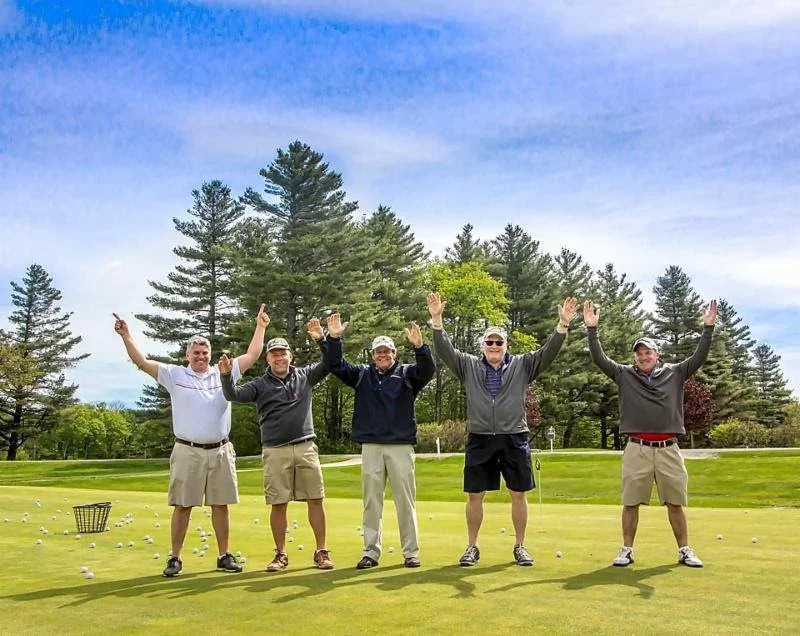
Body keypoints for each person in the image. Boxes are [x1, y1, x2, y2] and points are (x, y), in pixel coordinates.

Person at [113, 305, 270, 577]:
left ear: (209, 355)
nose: (201, 356)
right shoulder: (174, 375)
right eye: (196, 353)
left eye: (204, 353)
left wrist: (261, 326)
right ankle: (175, 558)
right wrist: (126, 335)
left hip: (220, 450)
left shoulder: (225, 371)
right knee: (183, 506)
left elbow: (254, 354)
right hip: (187, 450)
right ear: (187, 355)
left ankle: (224, 555)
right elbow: (142, 362)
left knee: (220, 505)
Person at [427, 292, 578, 567]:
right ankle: (472, 547)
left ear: (505, 345)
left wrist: (562, 326)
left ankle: (520, 546)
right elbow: (446, 351)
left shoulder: (522, 364)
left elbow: (548, 353)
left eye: (498, 342)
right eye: (489, 342)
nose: (494, 345)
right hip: (480, 438)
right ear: (483, 345)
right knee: (475, 495)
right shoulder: (469, 365)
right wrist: (437, 320)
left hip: (514, 437)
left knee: (518, 493)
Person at [583, 299, 717, 568]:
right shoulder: (624, 375)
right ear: (635, 357)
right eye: (639, 353)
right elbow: (599, 359)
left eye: (648, 353)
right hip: (637, 448)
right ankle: (626, 550)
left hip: (669, 448)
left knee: (675, 502)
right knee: (631, 502)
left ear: (658, 355)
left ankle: (684, 550)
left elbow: (699, 357)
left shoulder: (676, 372)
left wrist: (708, 328)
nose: (643, 357)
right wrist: (592, 330)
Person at [310, 313, 435, 569]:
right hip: (371, 446)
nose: (383, 355)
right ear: (372, 355)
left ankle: (411, 552)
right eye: (378, 352)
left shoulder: (407, 374)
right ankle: (371, 552)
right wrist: (333, 338)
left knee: (405, 501)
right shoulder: (362, 375)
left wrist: (421, 347)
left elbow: (428, 370)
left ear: (394, 353)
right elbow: (335, 365)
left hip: (400, 446)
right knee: (371, 502)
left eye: (387, 351)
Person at [219, 328, 333, 572]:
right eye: (274, 355)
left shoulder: (305, 375)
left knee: (316, 499)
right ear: (267, 359)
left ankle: (322, 551)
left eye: (283, 354)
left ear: (290, 356)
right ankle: (281, 554)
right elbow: (233, 394)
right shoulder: (260, 385)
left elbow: (331, 362)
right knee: (278, 503)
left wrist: (323, 340)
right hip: (275, 450)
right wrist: (227, 375)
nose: (279, 358)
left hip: (305, 446)